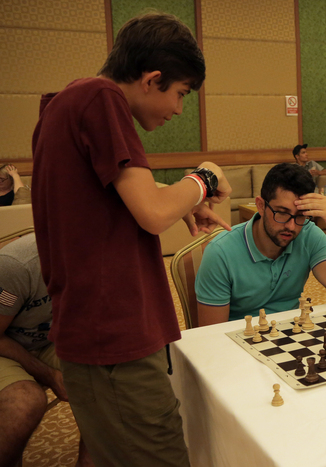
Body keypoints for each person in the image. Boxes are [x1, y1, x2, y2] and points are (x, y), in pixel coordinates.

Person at [31, 13, 232, 466]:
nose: (179, 110)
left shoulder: (69, 103)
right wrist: (204, 177)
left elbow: (104, 198)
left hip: (99, 335)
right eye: (181, 93)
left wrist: (179, 199)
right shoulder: (101, 97)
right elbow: (152, 213)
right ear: (151, 79)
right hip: (113, 337)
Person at [195, 163, 326, 324]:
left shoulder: (309, 234)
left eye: (300, 215)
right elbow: (211, 333)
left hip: (291, 334)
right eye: (281, 213)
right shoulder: (221, 252)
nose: (291, 226)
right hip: (240, 337)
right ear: (261, 206)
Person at [0, 234, 92, 467]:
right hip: (5, 345)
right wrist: (48, 374)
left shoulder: (102, 255)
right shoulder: (17, 266)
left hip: (50, 339)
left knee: (108, 382)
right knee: (24, 402)